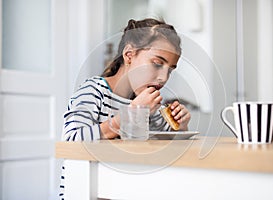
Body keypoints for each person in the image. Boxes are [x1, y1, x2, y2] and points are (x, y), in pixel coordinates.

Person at [59, 18, 191, 198]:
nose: (163, 77)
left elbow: (166, 141)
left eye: (170, 70)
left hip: (124, 189)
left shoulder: (146, 103)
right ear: (129, 55)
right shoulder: (93, 92)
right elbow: (70, 142)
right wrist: (129, 115)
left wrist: (180, 125)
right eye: (157, 63)